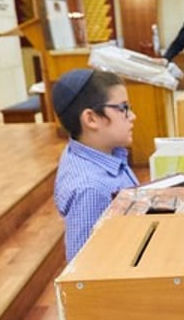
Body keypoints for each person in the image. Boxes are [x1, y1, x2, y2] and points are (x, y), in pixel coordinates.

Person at [51, 68, 138, 261]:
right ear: (91, 119)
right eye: (123, 108)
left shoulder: (98, 150)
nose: (132, 116)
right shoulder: (91, 189)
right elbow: (82, 271)